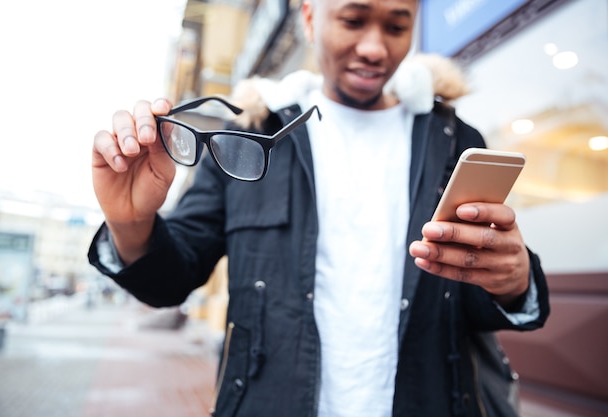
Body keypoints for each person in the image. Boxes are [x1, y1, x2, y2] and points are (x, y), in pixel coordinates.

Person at [88, 1, 550, 416]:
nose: (374, 47)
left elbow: (471, 299)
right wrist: (130, 221)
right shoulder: (246, 138)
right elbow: (172, 280)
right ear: (309, 17)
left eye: (396, 25)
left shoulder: (454, 140)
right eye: (353, 19)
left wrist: (514, 282)